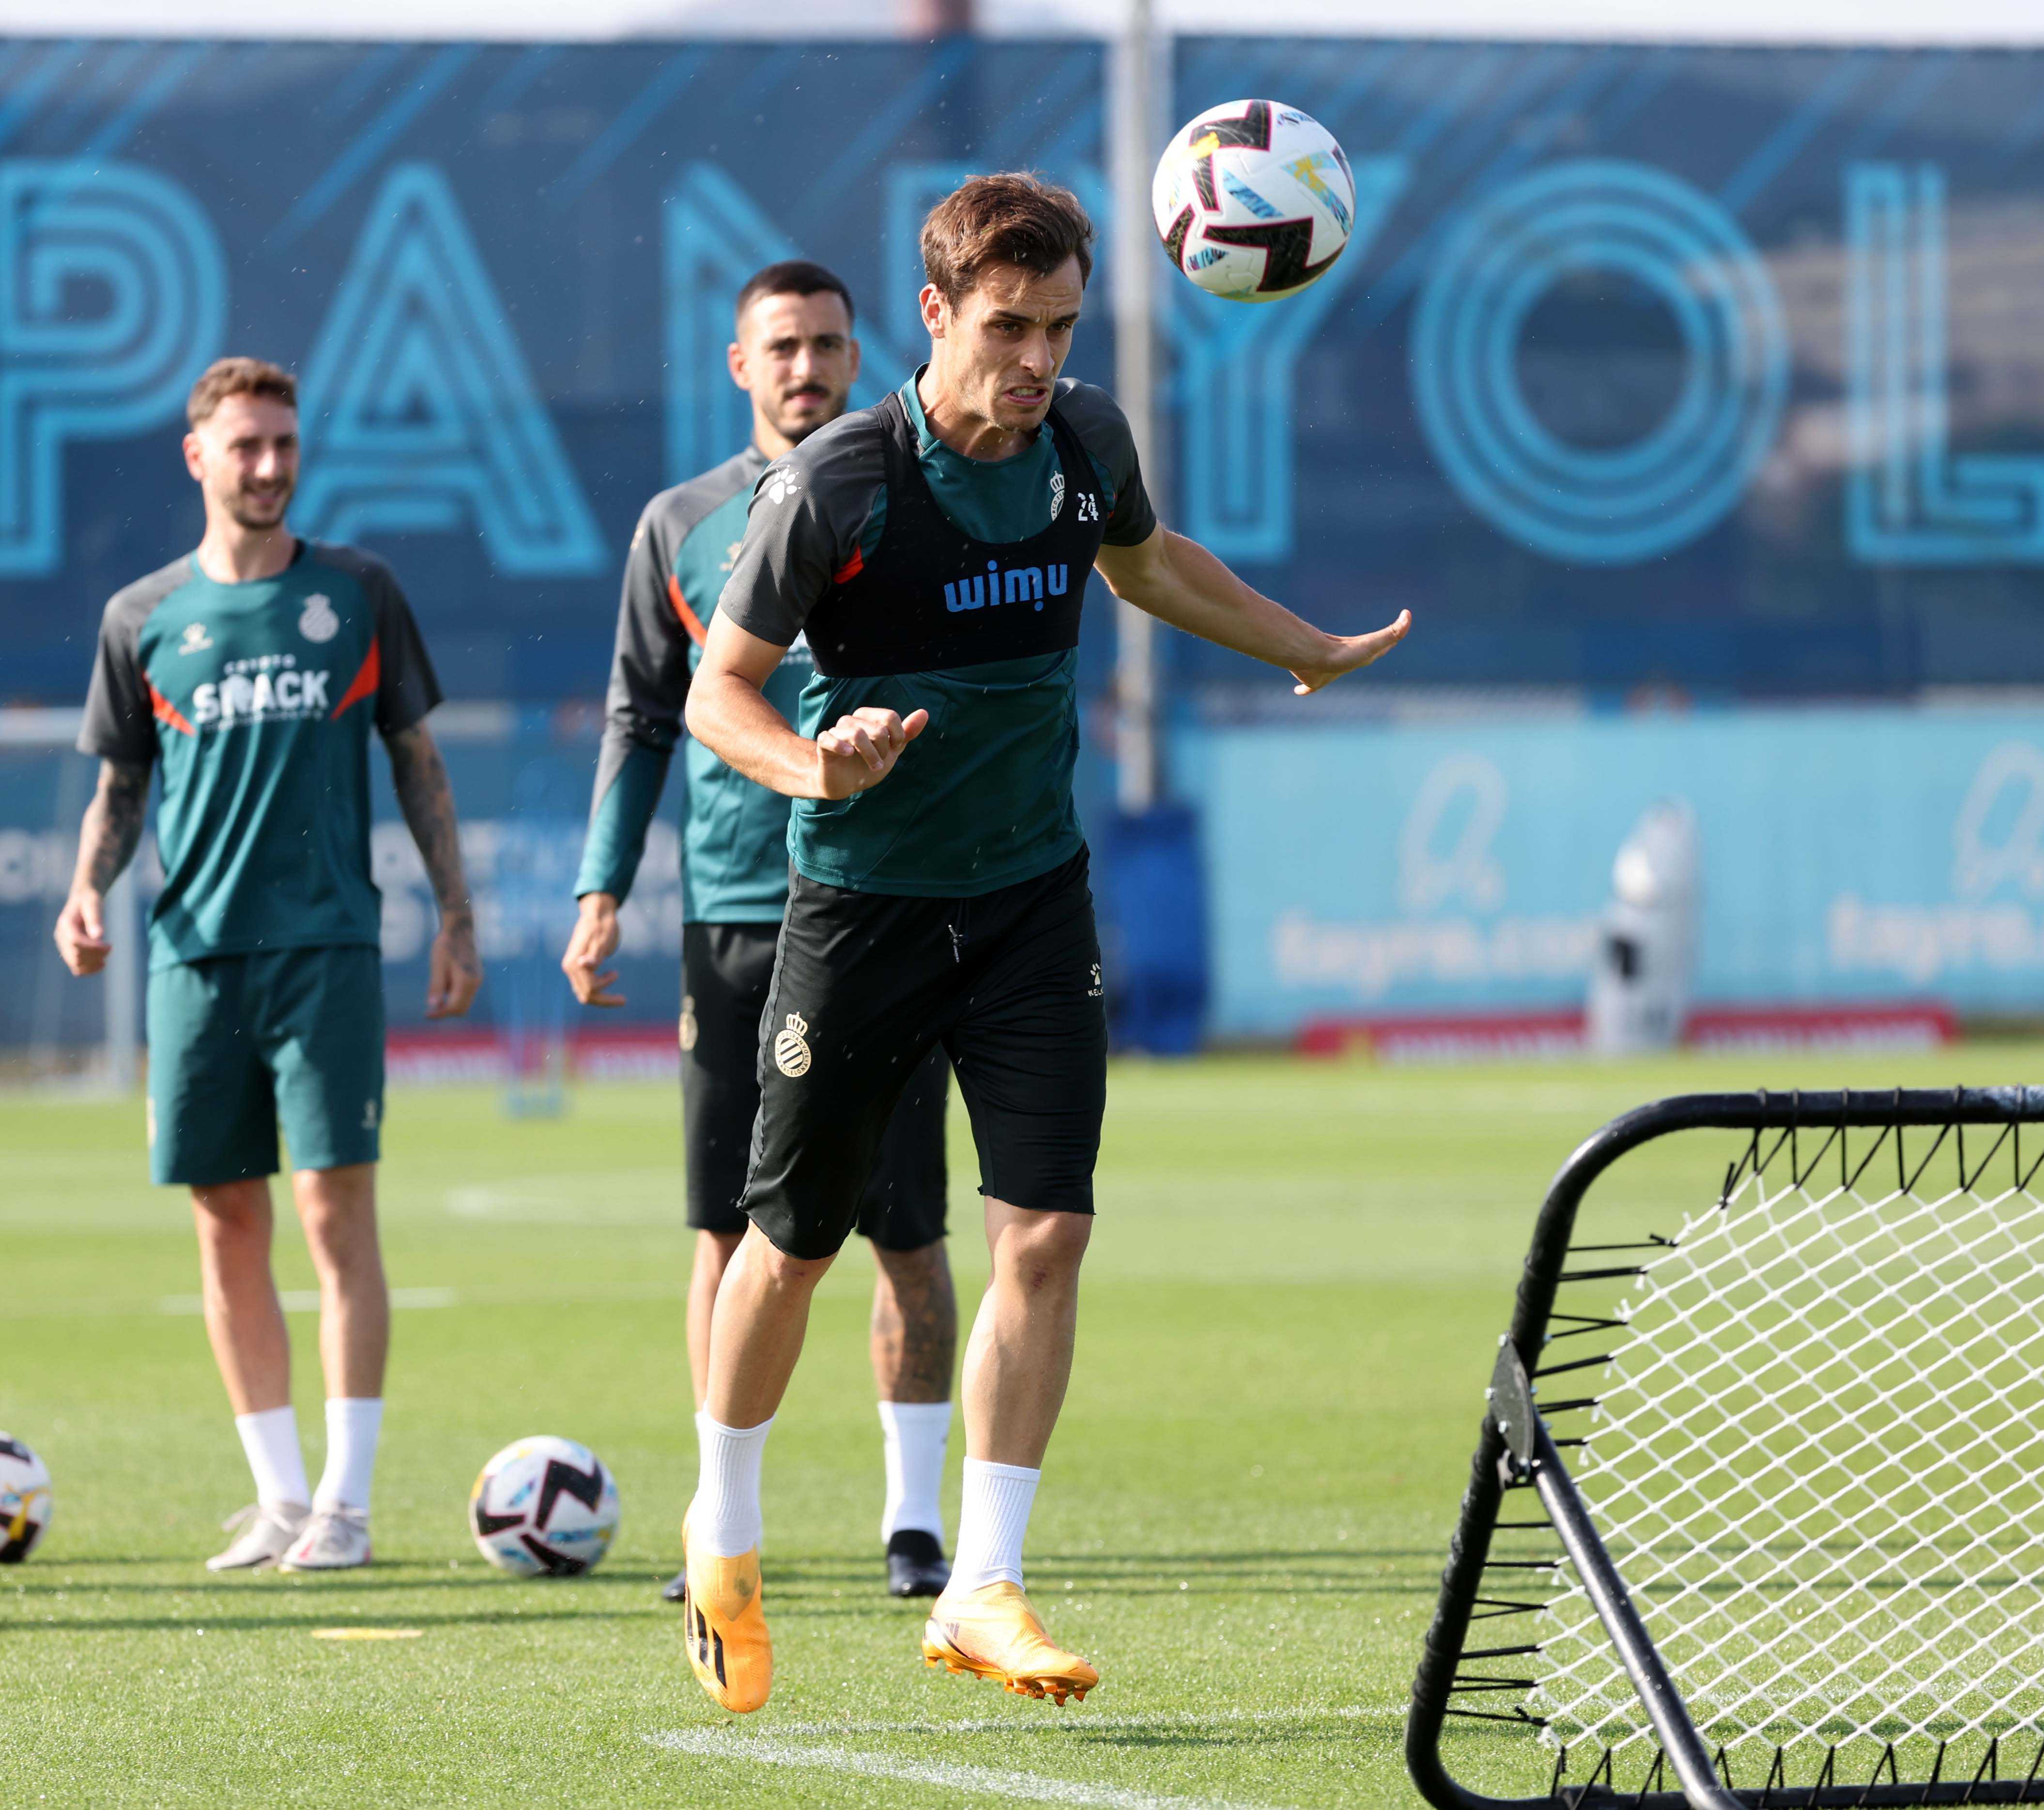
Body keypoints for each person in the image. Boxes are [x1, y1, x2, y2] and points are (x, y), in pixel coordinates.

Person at [676, 174, 1412, 1714]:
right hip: (863, 910)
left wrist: (1308, 648)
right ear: (936, 312)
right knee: (791, 1248)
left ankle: (985, 1583)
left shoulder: (1087, 440)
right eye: (1009, 327)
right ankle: (724, 1533)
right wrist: (817, 765)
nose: (1037, 359)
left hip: (1031, 903)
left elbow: (1147, 565)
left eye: (1062, 328)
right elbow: (719, 694)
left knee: (1048, 1234)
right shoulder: (838, 483)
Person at [560, 262, 959, 1606]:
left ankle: (915, 1523)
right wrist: (602, 887)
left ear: (859, 353)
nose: (807, 367)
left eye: (828, 344)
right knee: (726, 1236)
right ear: (740, 364)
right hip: (733, 918)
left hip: (882, 905)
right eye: (781, 346)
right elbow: (641, 714)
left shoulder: (915, 496)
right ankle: (721, 1519)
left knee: (905, 1227)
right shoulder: (680, 525)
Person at [54, 356, 480, 1573]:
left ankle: (346, 1502)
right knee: (223, 1220)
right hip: (193, 959)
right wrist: (85, 889)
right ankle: (281, 1497)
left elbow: (416, 760)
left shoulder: (357, 591)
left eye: (284, 444)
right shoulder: (141, 616)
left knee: (334, 1215)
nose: (269, 466)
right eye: (245, 446)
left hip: (326, 949)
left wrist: (454, 913)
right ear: (198, 456)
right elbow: (122, 785)